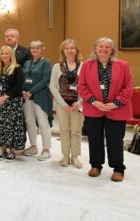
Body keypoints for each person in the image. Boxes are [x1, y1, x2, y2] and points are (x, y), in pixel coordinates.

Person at [78, 37, 133, 182]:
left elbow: (128, 88)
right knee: (94, 138)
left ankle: (118, 168)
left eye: (107, 47)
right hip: (93, 108)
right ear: (95, 48)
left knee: (115, 140)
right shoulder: (87, 65)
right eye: (100, 46)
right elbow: (82, 86)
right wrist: (93, 101)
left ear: (112, 50)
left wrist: (115, 103)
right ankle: (96, 165)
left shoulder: (123, 65)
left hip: (116, 109)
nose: (103, 49)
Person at [49, 39, 84, 168]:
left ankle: (75, 156)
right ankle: (65, 156)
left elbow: (87, 87)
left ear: (76, 50)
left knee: (76, 131)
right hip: (62, 104)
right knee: (64, 130)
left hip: (78, 105)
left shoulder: (83, 66)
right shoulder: (57, 66)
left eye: (72, 48)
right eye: (67, 48)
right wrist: (62, 103)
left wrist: (79, 103)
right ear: (63, 51)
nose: (69, 50)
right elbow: (53, 87)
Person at [0, 45, 25, 161]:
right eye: (2, 53)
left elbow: (18, 86)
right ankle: (2, 148)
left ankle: (11, 149)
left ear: (11, 55)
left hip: (11, 103)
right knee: (0, 126)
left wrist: (4, 97)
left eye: (7, 53)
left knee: (10, 126)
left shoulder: (17, 68)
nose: (4, 56)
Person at [22, 40, 53, 161]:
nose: (34, 50)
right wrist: (23, 91)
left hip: (40, 96)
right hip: (26, 97)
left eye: (37, 48)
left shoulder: (46, 62)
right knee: (29, 121)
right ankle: (33, 146)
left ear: (42, 49)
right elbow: (23, 78)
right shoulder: (27, 62)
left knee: (42, 123)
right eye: (32, 48)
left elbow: (45, 80)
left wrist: (31, 91)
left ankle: (46, 149)